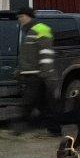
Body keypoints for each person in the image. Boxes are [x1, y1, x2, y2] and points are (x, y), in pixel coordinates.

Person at [16, 7, 60, 135]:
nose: (20, 20)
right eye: (18, 17)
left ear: (29, 16)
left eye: (22, 16)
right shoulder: (29, 31)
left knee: (29, 102)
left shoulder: (40, 29)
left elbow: (46, 52)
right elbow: (28, 55)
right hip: (32, 74)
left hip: (38, 75)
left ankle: (19, 128)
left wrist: (45, 73)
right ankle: (54, 130)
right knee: (44, 105)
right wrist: (19, 70)